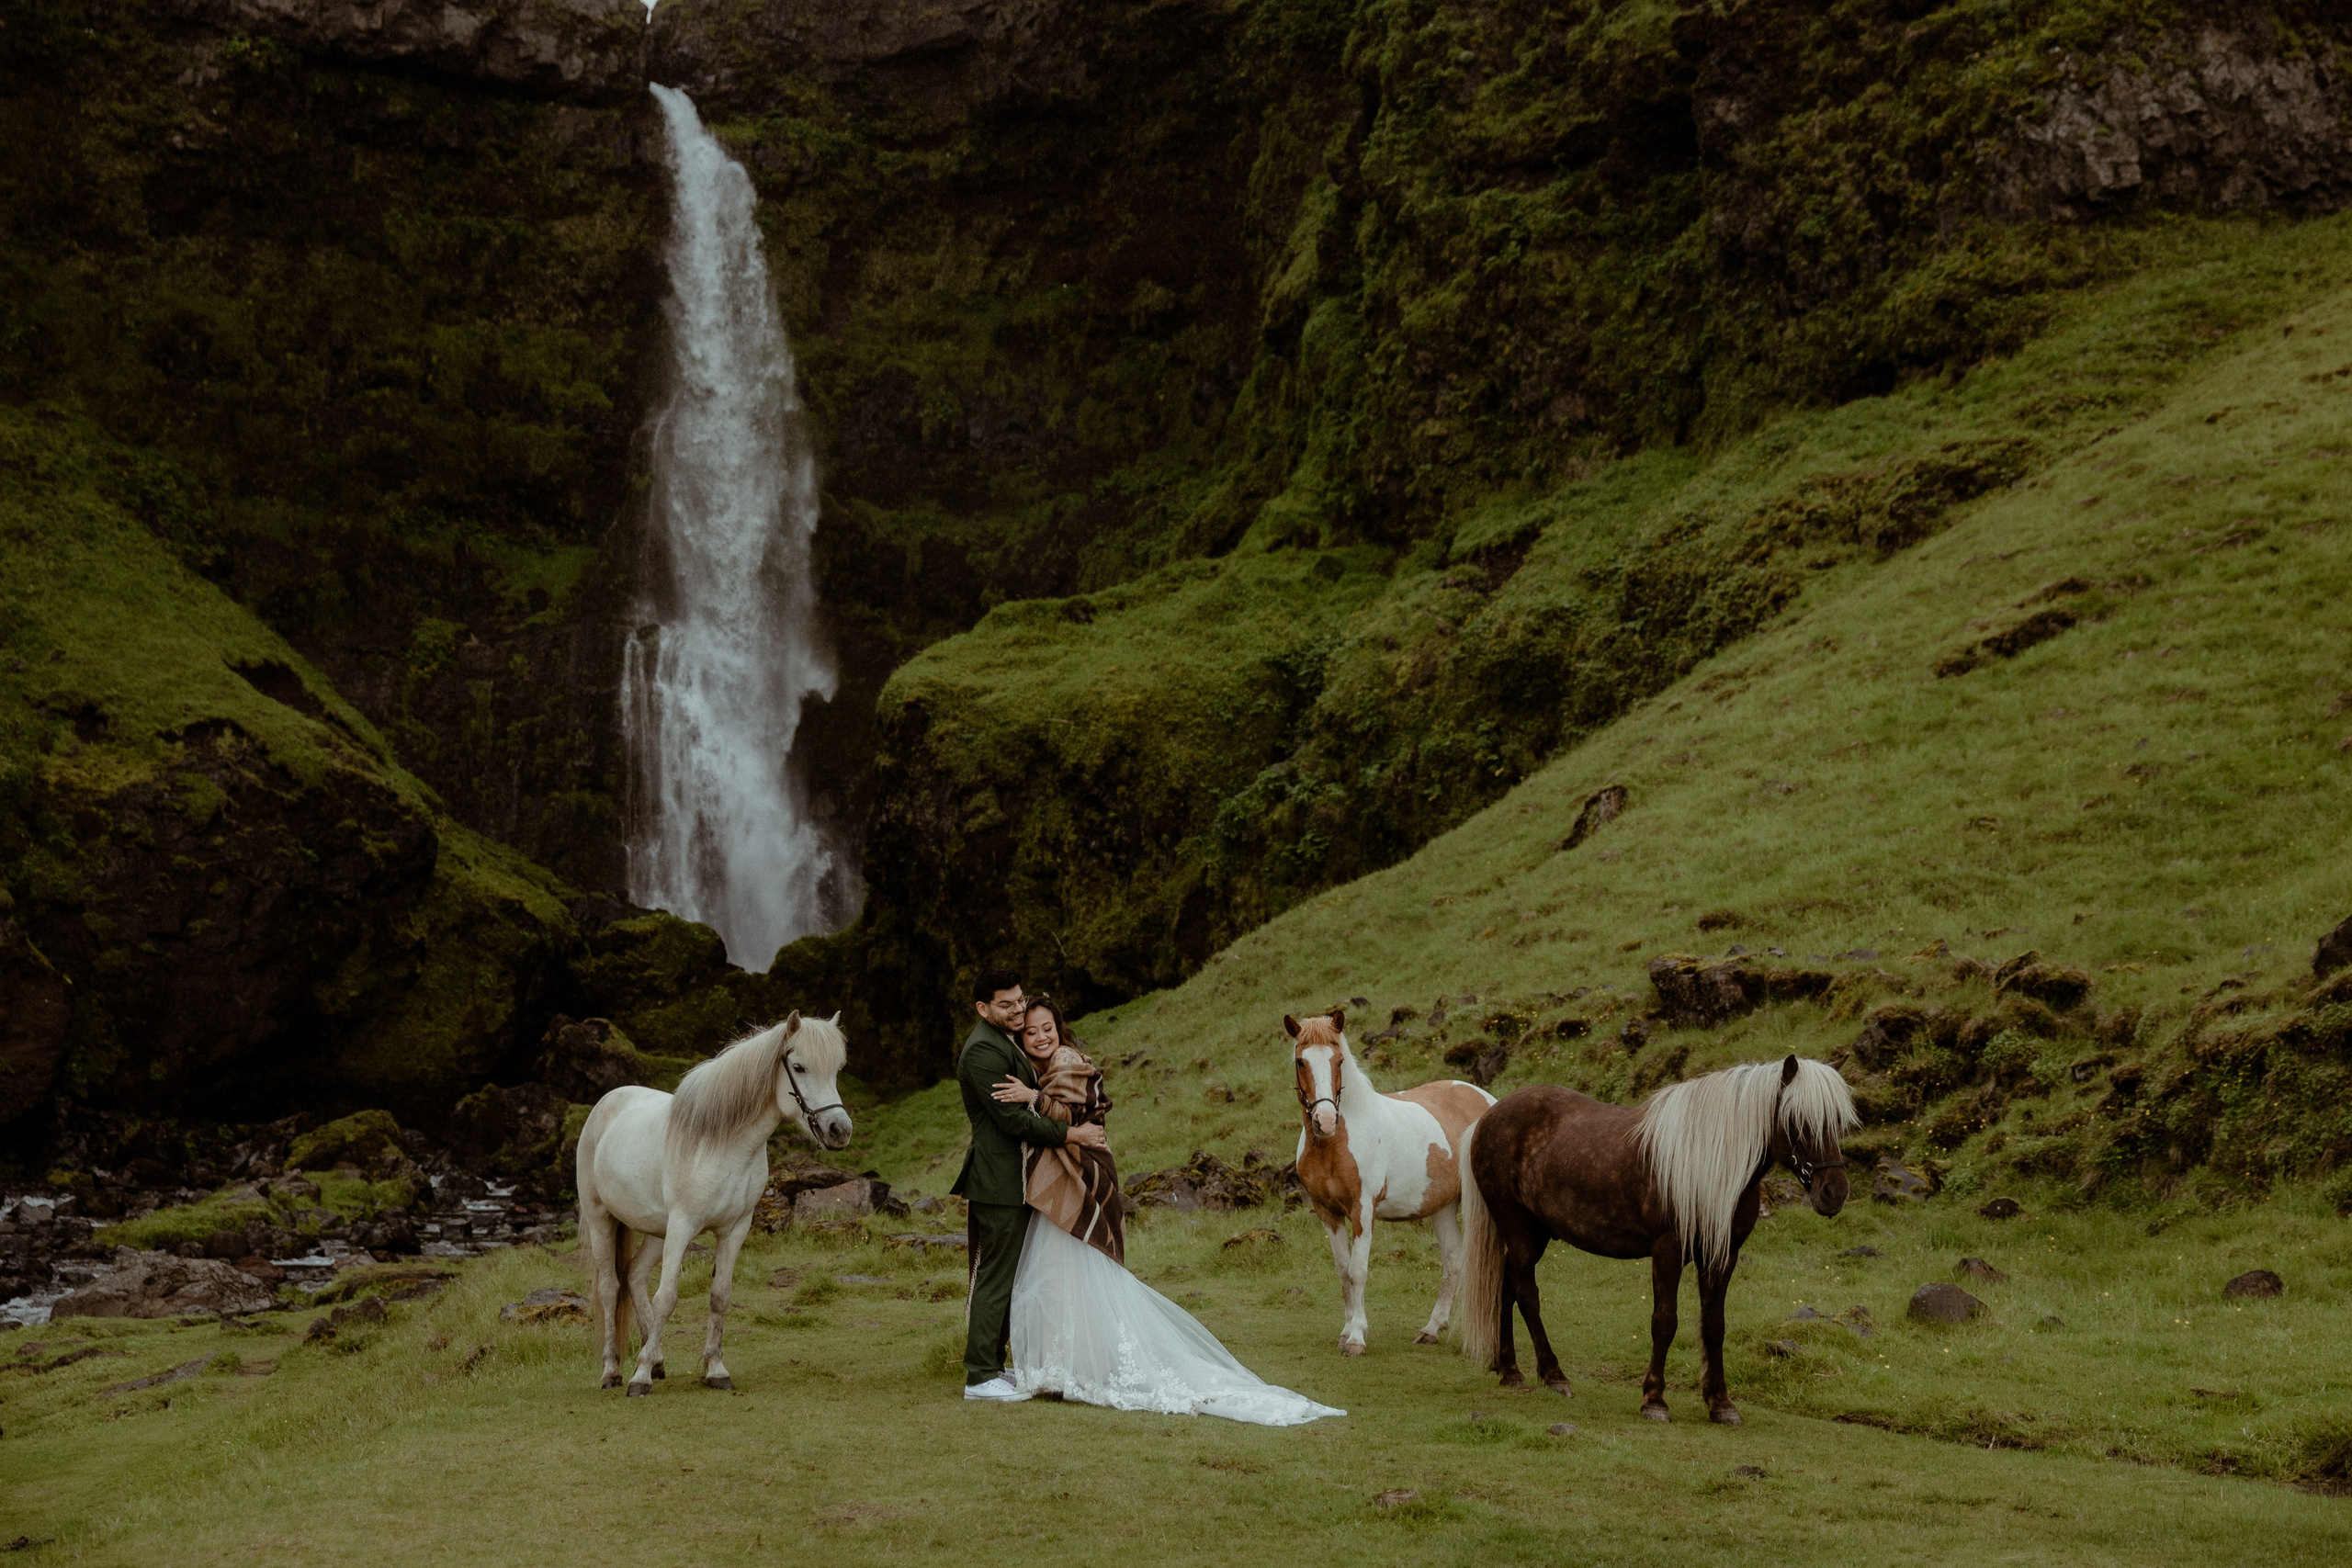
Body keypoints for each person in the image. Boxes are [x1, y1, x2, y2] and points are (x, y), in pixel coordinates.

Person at [984, 993, 1345, 1427]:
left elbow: (1075, 1115)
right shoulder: (1041, 1068)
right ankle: (1060, 1367)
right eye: (1031, 1031)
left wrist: (1031, 1098)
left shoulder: (1067, 1060)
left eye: (1048, 1028)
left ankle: (1071, 1368)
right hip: (1065, 1177)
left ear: (1059, 1030)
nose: (1041, 1037)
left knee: (1073, 1270)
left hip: (1081, 1180)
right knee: (1059, 1278)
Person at [951, 967, 1105, 1402]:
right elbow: (1011, 1120)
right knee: (995, 1279)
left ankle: (994, 1368)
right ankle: (980, 1376)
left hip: (1016, 1180)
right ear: (983, 1009)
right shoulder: (982, 1052)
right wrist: (1074, 1134)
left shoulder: (1004, 1040)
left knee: (1008, 1277)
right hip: (998, 1181)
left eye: (1020, 1000)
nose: (1018, 1009)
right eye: (1008, 1004)